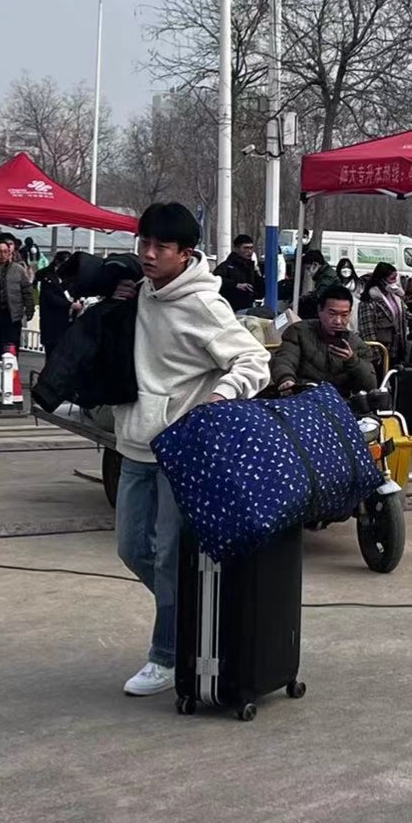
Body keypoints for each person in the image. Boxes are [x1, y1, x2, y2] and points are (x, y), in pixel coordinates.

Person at [112, 203, 271, 698]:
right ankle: (191, 614)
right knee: (131, 549)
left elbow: (255, 359)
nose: (148, 254)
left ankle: (166, 655)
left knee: (167, 557)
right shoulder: (140, 292)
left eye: (161, 246)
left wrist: (219, 398)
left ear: (185, 253)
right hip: (134, 444)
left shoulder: (204, 305)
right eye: (144, 243)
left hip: (180, 451)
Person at [271, 284, 379, 396]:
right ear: (320, 310)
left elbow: (370, 385)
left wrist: (352, 360)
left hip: (340, 400)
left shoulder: (357, 344)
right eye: (332, 314)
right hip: (303, 395)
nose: (338, 321)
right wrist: (286, 379)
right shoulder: (298, 332)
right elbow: (285, 359)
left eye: (344, 315)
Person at [357, 262, 412, 368]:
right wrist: (375, 354)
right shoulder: (369, 301)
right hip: (382, 348)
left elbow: (403, 314)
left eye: (396, 278)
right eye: (392, 279)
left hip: (397, 347)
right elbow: (368, 330)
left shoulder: (395, 296)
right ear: (382, 279)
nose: (395, 282)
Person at [37, 250, 75, 359]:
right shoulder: (48, 278)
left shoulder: (70, 277)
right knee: (52, 350)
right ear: (58, 262)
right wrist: (70, 304)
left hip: (67, 319)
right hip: (51, 319)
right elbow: (52, 298)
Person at [215, 233, 261, 313]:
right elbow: (216, 279)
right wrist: (236, 285)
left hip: (248, 307)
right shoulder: (227, 266)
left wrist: (258, 274)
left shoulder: (252, 268)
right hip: (229, 309)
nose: (249, 251)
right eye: (245, 248)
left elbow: (260, 291)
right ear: (236, 249)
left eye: (251, 248)